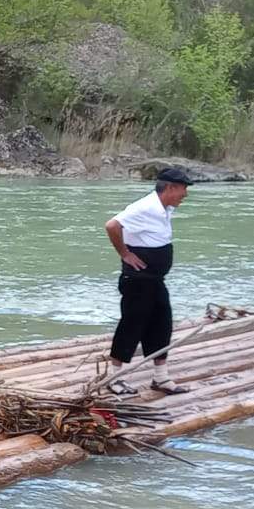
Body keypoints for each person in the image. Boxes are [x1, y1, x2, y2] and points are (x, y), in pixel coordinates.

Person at [104, 166, 195, 395]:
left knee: (162, 324)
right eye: (183, 189)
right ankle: (113, 378)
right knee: (131, 325)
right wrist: (125, 254)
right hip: (138, 280)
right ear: (170, 188)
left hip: (155, 279)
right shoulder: (145, 207)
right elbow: (112, 225)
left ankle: (160, 378)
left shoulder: (165, 208)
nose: (185, 194)